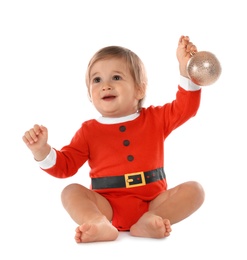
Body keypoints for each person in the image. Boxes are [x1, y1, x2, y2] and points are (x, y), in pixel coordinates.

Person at [22, 35, 205, 243]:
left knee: (195, 190)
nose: (105, 85)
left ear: (140, 89)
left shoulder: (155, 118)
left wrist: (185, 69)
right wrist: (41, 150)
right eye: (97, 80)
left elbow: (186, 108)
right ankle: (97, 222)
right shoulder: (88, 131)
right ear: (90, 94)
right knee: (70, 191)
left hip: (154, 203)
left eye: (116, 77)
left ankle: (151, 220)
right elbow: (66, 166)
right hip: (106, 207)